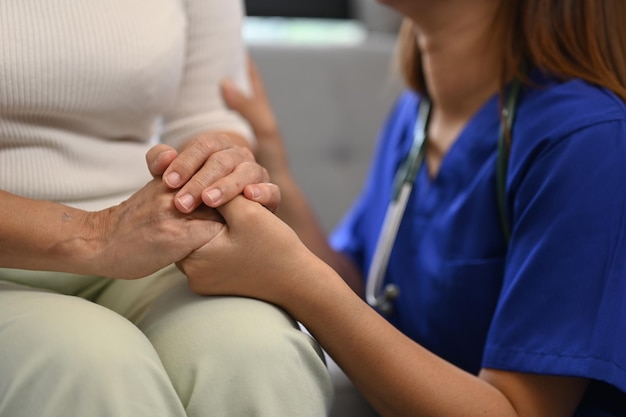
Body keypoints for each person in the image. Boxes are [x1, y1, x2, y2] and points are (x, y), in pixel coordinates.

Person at [171, 0, 626, 415]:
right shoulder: (417, 114)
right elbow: (362, 289)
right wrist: (273, 165)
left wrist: (293, 279)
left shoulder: (586, 141)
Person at [0, 1, 332, 416]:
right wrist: (96, 233)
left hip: (143, 239)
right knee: (89, 365)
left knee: (260, 352)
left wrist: (217, 169)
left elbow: (205, 114)